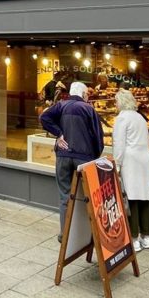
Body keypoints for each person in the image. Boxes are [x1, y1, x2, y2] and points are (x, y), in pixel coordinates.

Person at [39, 81, 104, 238]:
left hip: (63, 156)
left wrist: (59, 133)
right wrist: (95, 156)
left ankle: (65, 233)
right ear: (82, 94)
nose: (88, 97)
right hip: (83, 158)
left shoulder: (61, 105)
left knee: (65, 196)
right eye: (87, 94)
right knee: (88, 196)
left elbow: (44, 117)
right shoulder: (89, 109)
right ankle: (88, 233)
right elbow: (98, 137)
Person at [112, 89, 149, 252]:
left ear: (121, 102)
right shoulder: (140, 118)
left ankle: (134, 237)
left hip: (131, 159)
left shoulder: (122, 119)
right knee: (144, 196)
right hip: (144, 158)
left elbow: (119, 144)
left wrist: (117, 164)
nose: (115, 105)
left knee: (132, 197)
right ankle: (146, 236)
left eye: (116, 101)